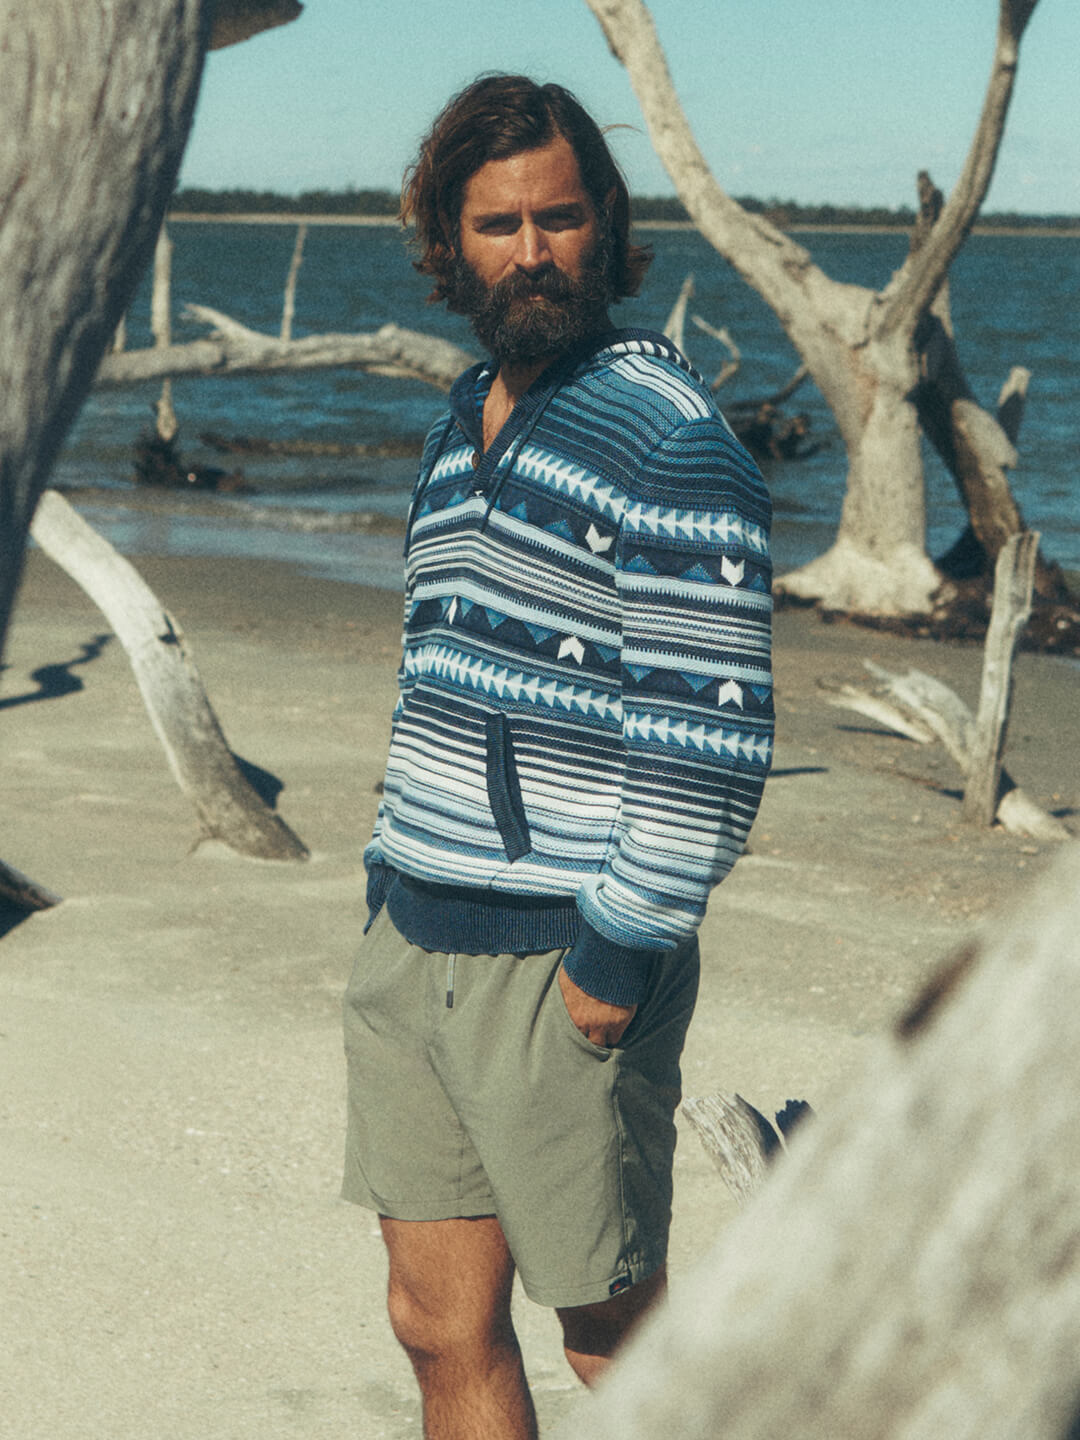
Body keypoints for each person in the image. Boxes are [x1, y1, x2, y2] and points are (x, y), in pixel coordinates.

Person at [342, 74, 773, 1439]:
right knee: (435, 1320)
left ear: (606, 227)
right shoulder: (461, 415)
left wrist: (622, 948)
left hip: (564, 953)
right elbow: (435, 673)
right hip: (416, 933)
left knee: (612, 1338)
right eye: (496, 225)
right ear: (447, 243)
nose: (531, 252)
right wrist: (383, 873)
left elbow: (709, 732)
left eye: (561, 218)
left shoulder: (670, 438)